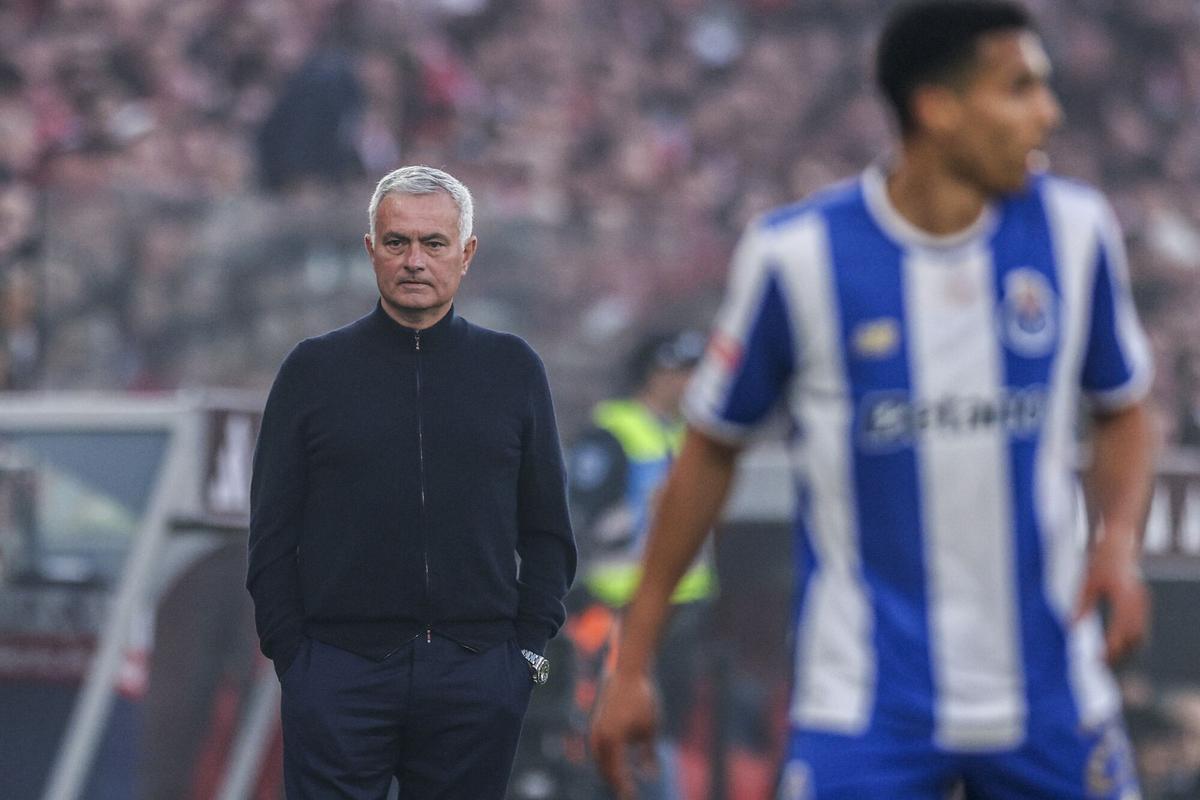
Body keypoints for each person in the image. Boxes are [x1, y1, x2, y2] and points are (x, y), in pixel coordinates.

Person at [589, 2, 1157, 798]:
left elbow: (1123, 407)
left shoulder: (1075, 229)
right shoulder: (799, 255)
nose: (1049, 113)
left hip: (1052, 692)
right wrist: (632, 661)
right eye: (1020, 87)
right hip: (863, 704)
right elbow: (710, 450)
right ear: (938, 107)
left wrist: (1118, 540)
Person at [247, 165, 577, 799]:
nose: (415, 260)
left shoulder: (512, 369)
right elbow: (271, 533)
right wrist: (297, 659)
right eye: (397, 242)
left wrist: (525, 656)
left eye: (434, 243)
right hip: (340, 672)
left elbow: (548, 531)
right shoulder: (314, 370)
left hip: (477, 673)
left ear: (466, 253)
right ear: (371, 249)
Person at [567, 330, 713, 799]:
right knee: (623, 722)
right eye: (683, 372)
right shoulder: (612, 431)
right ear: (656, 374)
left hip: (683, 605)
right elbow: (580, 516)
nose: (693, 383)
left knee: (670, 725)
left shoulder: (690, 432)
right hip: (621, 608)